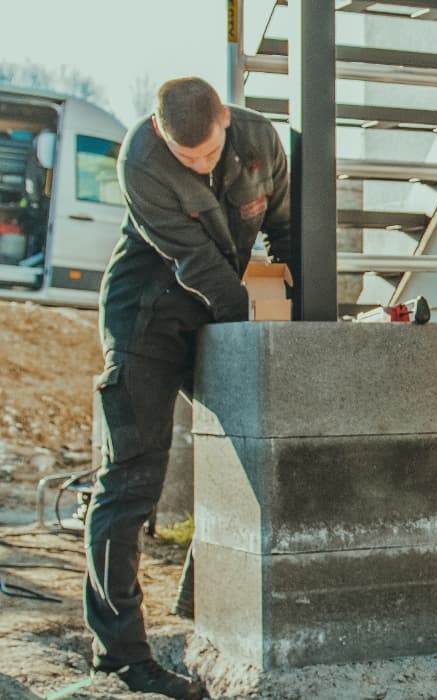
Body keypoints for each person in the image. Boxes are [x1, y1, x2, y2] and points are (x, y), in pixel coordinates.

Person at [87, 76, 290, 700]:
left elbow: (289, 231)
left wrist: (306, 326)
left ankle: (208, 607)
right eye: (187, 158)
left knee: (253, 454)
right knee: (130, 482)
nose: (200, 165)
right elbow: (196, 263)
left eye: (207, 153)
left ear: (224, 118)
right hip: (147, 319)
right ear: (158, 130)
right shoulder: (140, 161)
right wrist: (253, 332)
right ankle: (121, 655)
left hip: (216, 315)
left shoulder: (260, 139)